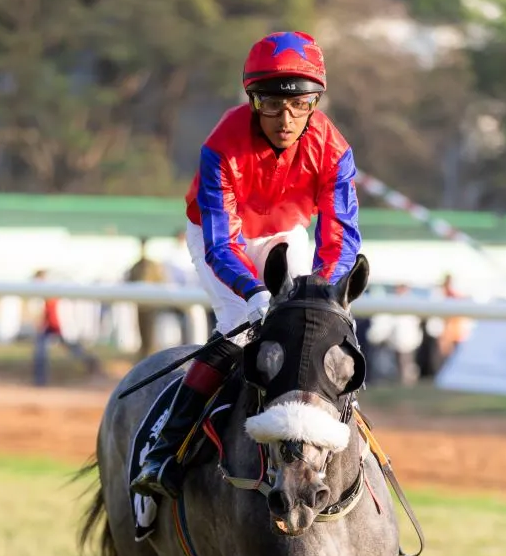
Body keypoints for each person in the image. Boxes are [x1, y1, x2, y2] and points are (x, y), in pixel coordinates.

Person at [132, 29, 362, 499]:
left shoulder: (334, 149)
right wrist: (255, 292)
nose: (285, 118)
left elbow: (340, 235)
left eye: (300, 105)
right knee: (241, 326)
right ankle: (164, 449)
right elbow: (221, 243)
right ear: (252, 100)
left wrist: (323, 289)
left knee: (311, 327)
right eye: (270, 104)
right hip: (222, 236)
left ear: (315, 102)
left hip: (283, 232)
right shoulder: (222, 146)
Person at [31, 270, 98, 387]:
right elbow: (42, 311)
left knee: (73, 348)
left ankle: (91, 362)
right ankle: (40, 380)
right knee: (40, 351)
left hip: (59, 326)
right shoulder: (42, 294)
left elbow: (60, 310)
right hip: (48, 326)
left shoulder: (54, 290)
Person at [124, 239, 168, 361]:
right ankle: (144, 357)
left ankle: (151, 357)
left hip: (151, 305)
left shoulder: (153, 265)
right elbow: (129, 281)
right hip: (140, 305)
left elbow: (161, 281)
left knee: (151, 333)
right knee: (142, 332)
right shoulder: (136, 266)